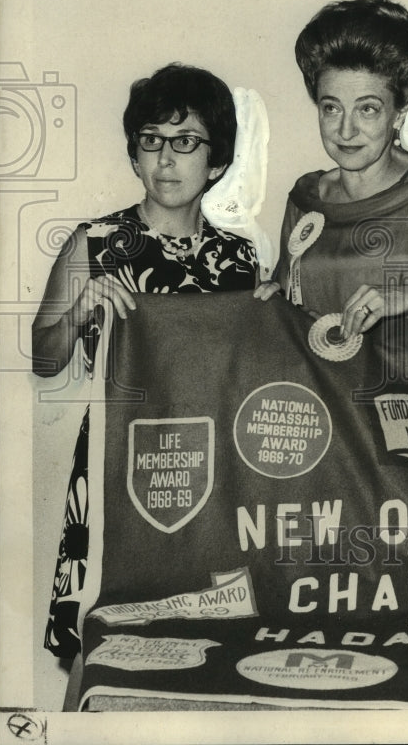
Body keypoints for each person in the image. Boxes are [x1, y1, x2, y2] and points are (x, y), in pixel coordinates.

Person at [32, 63, 260, 669]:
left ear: (216, 161)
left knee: (206, 651)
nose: (166, 158)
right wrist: (80, 310)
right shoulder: (94, 241)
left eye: (186, 142)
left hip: (212, 473)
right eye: (151, 140)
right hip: (117, 467)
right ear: (134, 154)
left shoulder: (240, 259)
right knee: (104, 644)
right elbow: (43, 355)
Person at [256, 0, 408, 339]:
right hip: (323, 389)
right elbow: (293, 316)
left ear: (400, 111)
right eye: (332, 108)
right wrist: (274, 303)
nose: (346, 131)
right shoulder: (305, 197)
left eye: (367, 109)